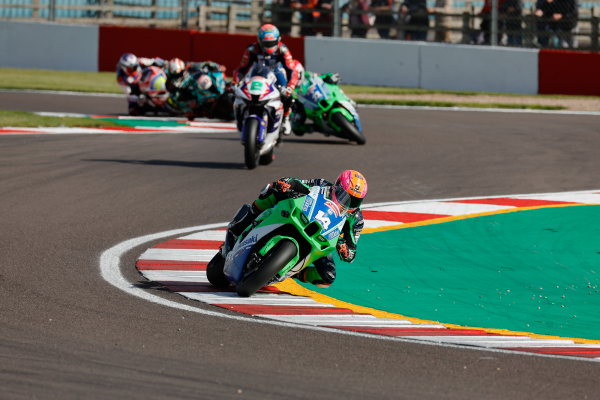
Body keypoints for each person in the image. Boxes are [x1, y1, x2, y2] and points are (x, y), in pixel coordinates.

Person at [222, 171, 367, 288]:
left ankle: (289, 271)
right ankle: (244, 222)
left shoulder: (357, 219)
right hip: (301, 217)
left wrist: (344, 249)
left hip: (321, 239)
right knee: (272, 190)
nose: (349, 203)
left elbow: (352, 250)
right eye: (345, 195)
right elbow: (299, 184)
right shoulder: (322, 185)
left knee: (328, 276)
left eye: (355, 200)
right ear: (337, 186)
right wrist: (288, 184)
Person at [232, 24, 300, 135]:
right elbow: (242, 68)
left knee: (288, 97)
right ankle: (242, 117)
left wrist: (290, 86)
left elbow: (292, 70)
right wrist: (235, 82)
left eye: (272, 43)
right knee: (237, 94)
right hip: (257, 74)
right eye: (266, 43)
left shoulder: (283, 49)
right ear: (259, 40)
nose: (269, 46)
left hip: (277, 75)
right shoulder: (252, 49)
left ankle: (285, 118)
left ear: (278, 40)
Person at [165, 58, 231, 120]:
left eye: (179, 74)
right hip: (198, 98)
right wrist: (189, 105)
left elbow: (205, 63)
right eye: (175, 75)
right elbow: (180, 103)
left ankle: (227, 86)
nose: (178, 76)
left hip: (203, 83)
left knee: (214, 74)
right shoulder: (174, 87)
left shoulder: (189, 66)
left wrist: (216, 66)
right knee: (194, 113)